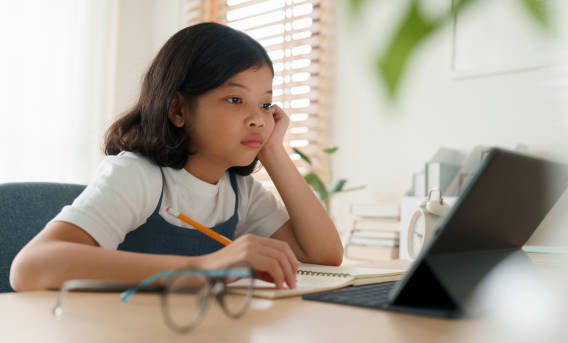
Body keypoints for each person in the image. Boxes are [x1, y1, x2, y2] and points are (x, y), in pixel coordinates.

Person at [10, 22, 343, 292]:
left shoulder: (239, 191)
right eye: (234, 99)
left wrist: (273, 150)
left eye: (266, 104)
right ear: (179, 109)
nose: (257, 118)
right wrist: (202, 268)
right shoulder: (138, 176)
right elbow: (31, 266)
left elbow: (324, 255)